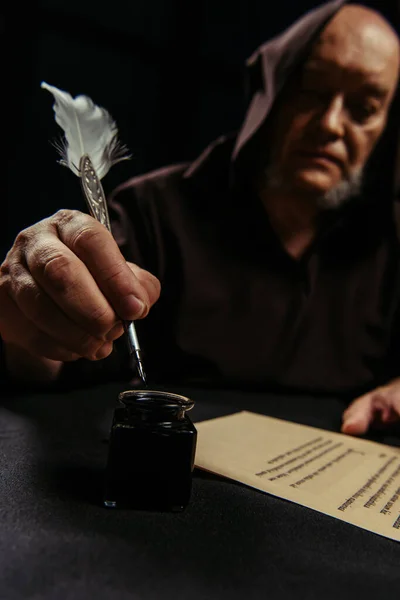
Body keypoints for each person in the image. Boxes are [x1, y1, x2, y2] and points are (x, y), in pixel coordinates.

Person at [1, 1, 399, 438]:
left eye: (363, 108)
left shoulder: (391, 241)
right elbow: (55, 354)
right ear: (272, 87)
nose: (330, 124)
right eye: (311, 89)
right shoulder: (154, 212)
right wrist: (24, 321)